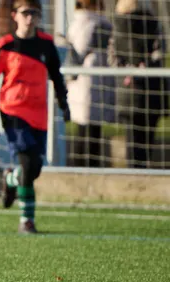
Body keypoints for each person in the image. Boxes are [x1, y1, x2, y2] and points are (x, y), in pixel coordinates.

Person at [0, 0, 69, 234]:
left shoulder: (46, 44)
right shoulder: (6, 45)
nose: (30, 17)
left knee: (35, 168)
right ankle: (26, 221)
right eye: (26, 13)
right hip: (13, 112)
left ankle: (10, 179)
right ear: (15, 16)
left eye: (35, 13)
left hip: (39, 114)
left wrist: (64, 102)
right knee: (28, 164)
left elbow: (57, 76)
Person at [109, 0, 167, 168]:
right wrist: (143, 67)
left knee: (132, 137)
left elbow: (112, 58)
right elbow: (159, 53)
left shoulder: (116, 27)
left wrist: (129, 71)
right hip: (151, 89)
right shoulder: (154, 24)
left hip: (128, 90)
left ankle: (133, 174)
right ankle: (144, 173)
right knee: (147, 137)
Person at [65, 0, 115, 167]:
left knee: (86, 133)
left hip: (86, 84)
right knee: (90, 133)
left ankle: (84, 168)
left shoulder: (84, 23)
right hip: (93, 85)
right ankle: (86, 168)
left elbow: (77, 55)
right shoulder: (96, 23)